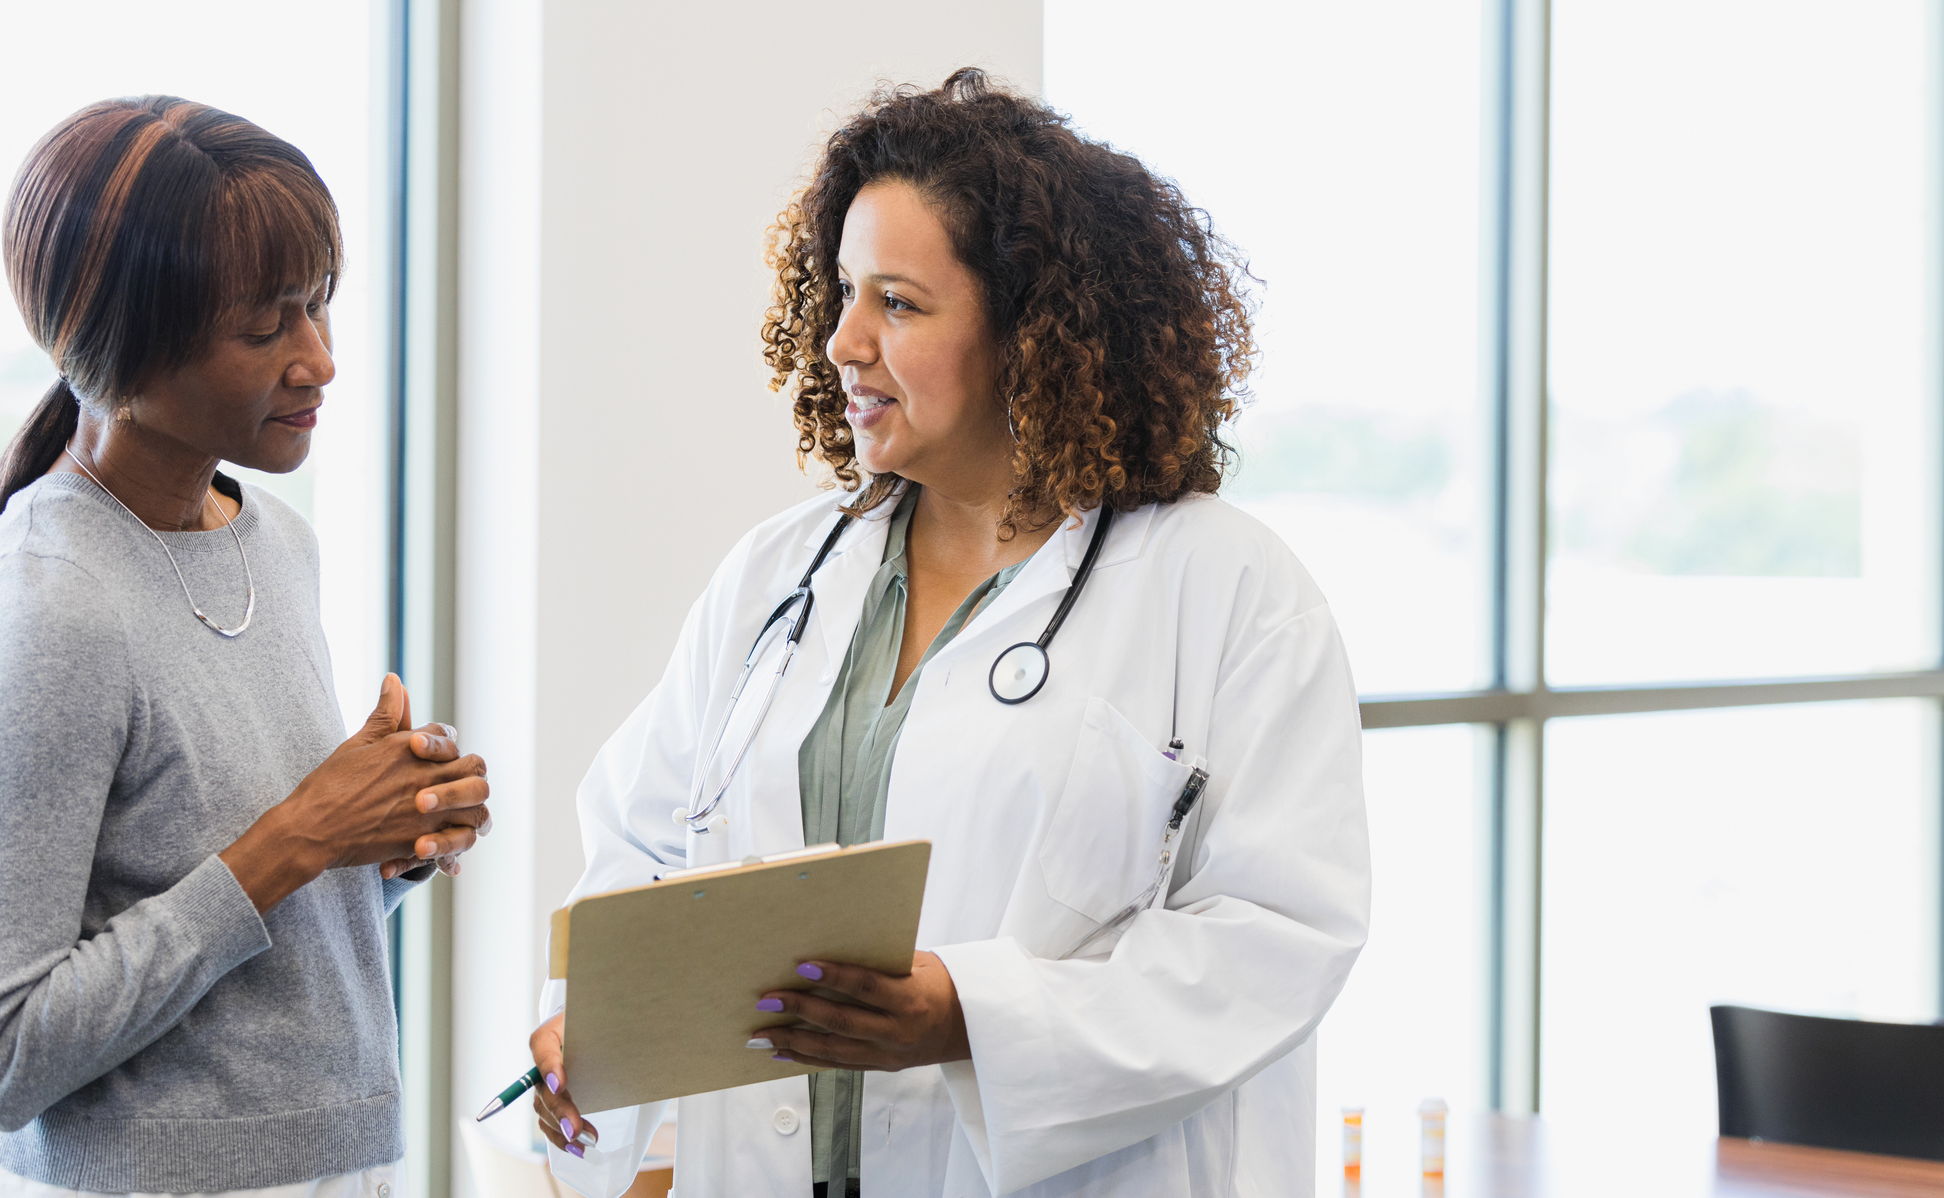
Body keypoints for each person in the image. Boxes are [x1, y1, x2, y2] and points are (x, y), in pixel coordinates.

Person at [529, 70, 1369, 1198]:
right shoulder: (782, 576)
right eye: (842, 293)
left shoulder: (1224, 588)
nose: (842, 341)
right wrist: (591, 1017)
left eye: (899, 304)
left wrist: (968, 1017)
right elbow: (642, 839)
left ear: (1031, 332)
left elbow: (1278, 933)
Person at [0, 97, 492, 1197]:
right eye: (266, 325)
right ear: (128, 345)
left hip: (334, 1169)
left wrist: (379, 846)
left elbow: (234, 932)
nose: (320, 359)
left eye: (320, 306)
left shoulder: (277, 546)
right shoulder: (50, 599)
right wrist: (296, 835)